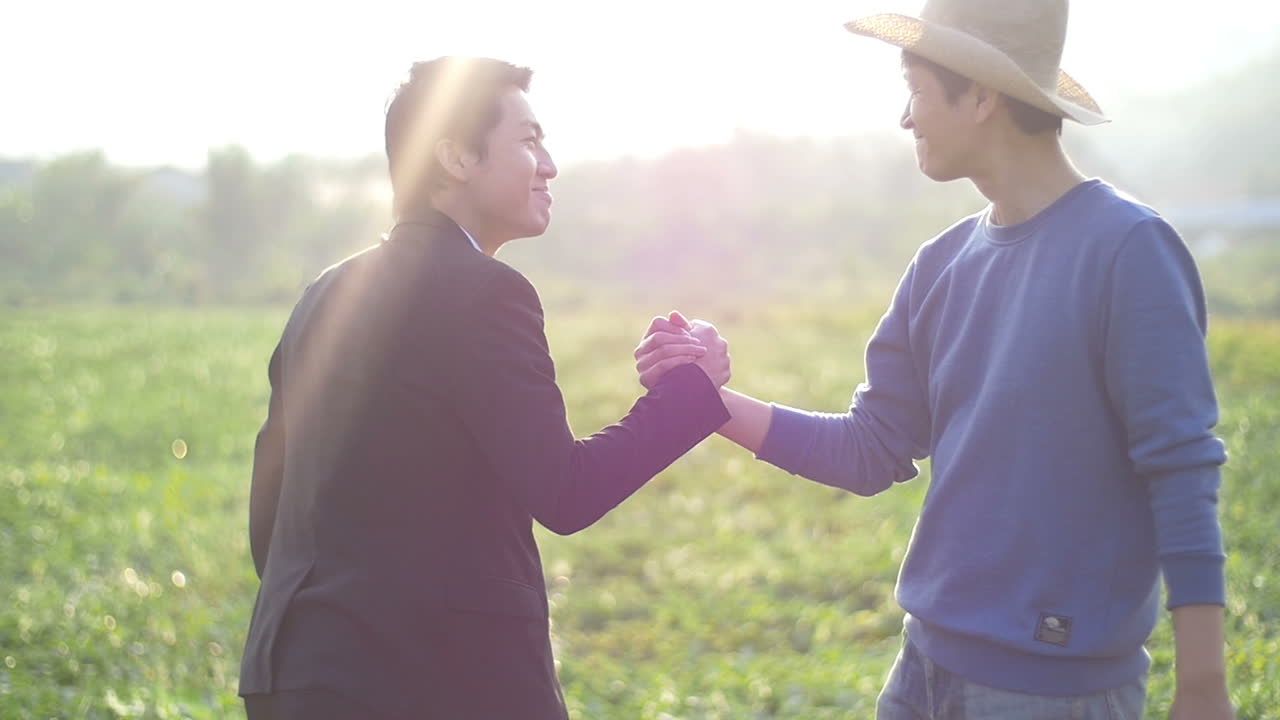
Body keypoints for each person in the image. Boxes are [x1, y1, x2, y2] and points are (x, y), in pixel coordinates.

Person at [636, 1, 1233, 717]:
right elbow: (870, 448)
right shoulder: (940, 266)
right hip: (923, 669)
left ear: (981, 96)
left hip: (1050, 691)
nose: (905, 118)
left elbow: (1182, 468)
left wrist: (1203, 687)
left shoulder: (1129, 251)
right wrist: (704, 401)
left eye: (916, 92)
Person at [239, 56, 731, 720]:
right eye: (529, 141)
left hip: (291, 675)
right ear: (455, 157)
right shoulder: (484, 294)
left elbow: (269, 521)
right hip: (433, 685)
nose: (550, 165)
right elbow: (567, 490)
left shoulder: (324, 295)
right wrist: (690, 392)